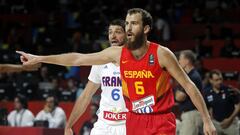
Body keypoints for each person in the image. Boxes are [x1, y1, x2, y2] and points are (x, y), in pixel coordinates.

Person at [17, 8, 216, 135]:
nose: (128, 27)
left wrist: (207, 120)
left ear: (146, 29)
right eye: (127, 23)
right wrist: (40, 58)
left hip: (160, 119)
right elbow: (78, 58)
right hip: (133, 120)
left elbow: (189, 86)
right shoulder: (117, 54)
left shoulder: (162, 54)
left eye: (134, 23)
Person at [65, 19, 127, 135]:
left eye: (118, 32)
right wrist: (69, 125)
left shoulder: (136, 61)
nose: (113, 36)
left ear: (127, 35)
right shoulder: (100, 62)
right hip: (104, 124)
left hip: (128, 123)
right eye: (110, 32)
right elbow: (86, 95)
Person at [204, 70, 240, 135]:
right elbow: (208, 107)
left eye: (221, 79)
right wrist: (211, 119)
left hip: (231, 124)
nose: (219, 82)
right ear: (211, 80)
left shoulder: (229, 90)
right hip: (216, 124)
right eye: (216, 80)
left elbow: (238, 105)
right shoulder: (207, 93)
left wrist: (230, 119)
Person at [175, 50, 203, 135]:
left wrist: (177, 92)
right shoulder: (188, 76)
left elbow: (179, 97)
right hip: (189, 115)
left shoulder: (192, 77)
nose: (178, 61)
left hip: (192, 115)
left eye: (180, 59)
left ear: (187, 61)